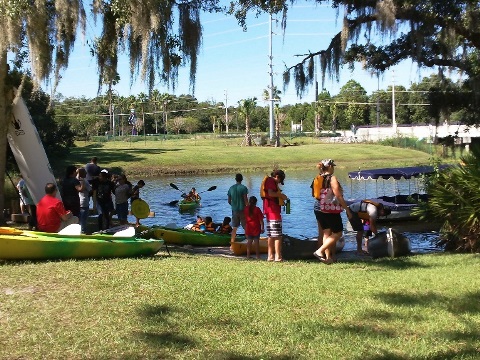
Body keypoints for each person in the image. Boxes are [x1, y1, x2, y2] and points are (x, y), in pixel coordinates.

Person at [312, 159, 352, 264]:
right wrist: (347, 209)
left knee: (326, 232)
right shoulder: (332, 178)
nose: (333, 168)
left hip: (318, 207)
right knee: (338, 233)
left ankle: (328, 258)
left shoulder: (318, 177)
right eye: (333, 166)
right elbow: (338, 195)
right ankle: (320, 251)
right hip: (330, 209)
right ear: (329, 167)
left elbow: (314, 194)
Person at [261, 169, 288, 262]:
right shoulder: (271, 181)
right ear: (277, 176)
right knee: (277, 236)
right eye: (280, 180)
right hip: (273, 211)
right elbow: (271, 193)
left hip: (269, 211)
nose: (279, 182)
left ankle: (270, 256)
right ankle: (278, 256)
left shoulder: (269, 181)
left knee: (271, 235)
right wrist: (281, 196)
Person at [227, 173, 249, 244]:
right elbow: (246, 200)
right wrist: (249, 208)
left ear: (235, 179)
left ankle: (232, 244)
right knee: (245, 227)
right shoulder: (244, 188)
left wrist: (233, 205)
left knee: (234, 228)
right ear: (242, 179)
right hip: (243, 210)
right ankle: (249, 242)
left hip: (235, 210)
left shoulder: (231, 188)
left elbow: (229, 201)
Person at [77, 168, 92, 234]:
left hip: (77, 201)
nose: (86, 173)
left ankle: (78, 231)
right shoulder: (85, 181)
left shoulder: (76, 180)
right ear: (82, 173)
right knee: (84, 219)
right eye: (85, 172)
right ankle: (83, 232)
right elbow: (90, 190)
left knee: (79, 218)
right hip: (84, 202)